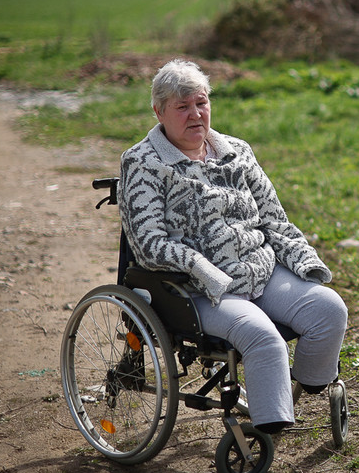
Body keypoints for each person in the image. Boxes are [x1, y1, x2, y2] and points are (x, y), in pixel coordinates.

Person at [118, 58, 346, 434]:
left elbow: (274, 219)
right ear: (159, 111)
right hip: (197, 289)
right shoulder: (143, 162)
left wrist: (306, 262)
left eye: (201, 103)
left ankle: (306, 386)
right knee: (263, 338)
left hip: (260, 270)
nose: (195, 114)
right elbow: (148, 243)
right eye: (182, 107)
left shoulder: (237, 151)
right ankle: (267, 431)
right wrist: (202, 269)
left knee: (328, 309)